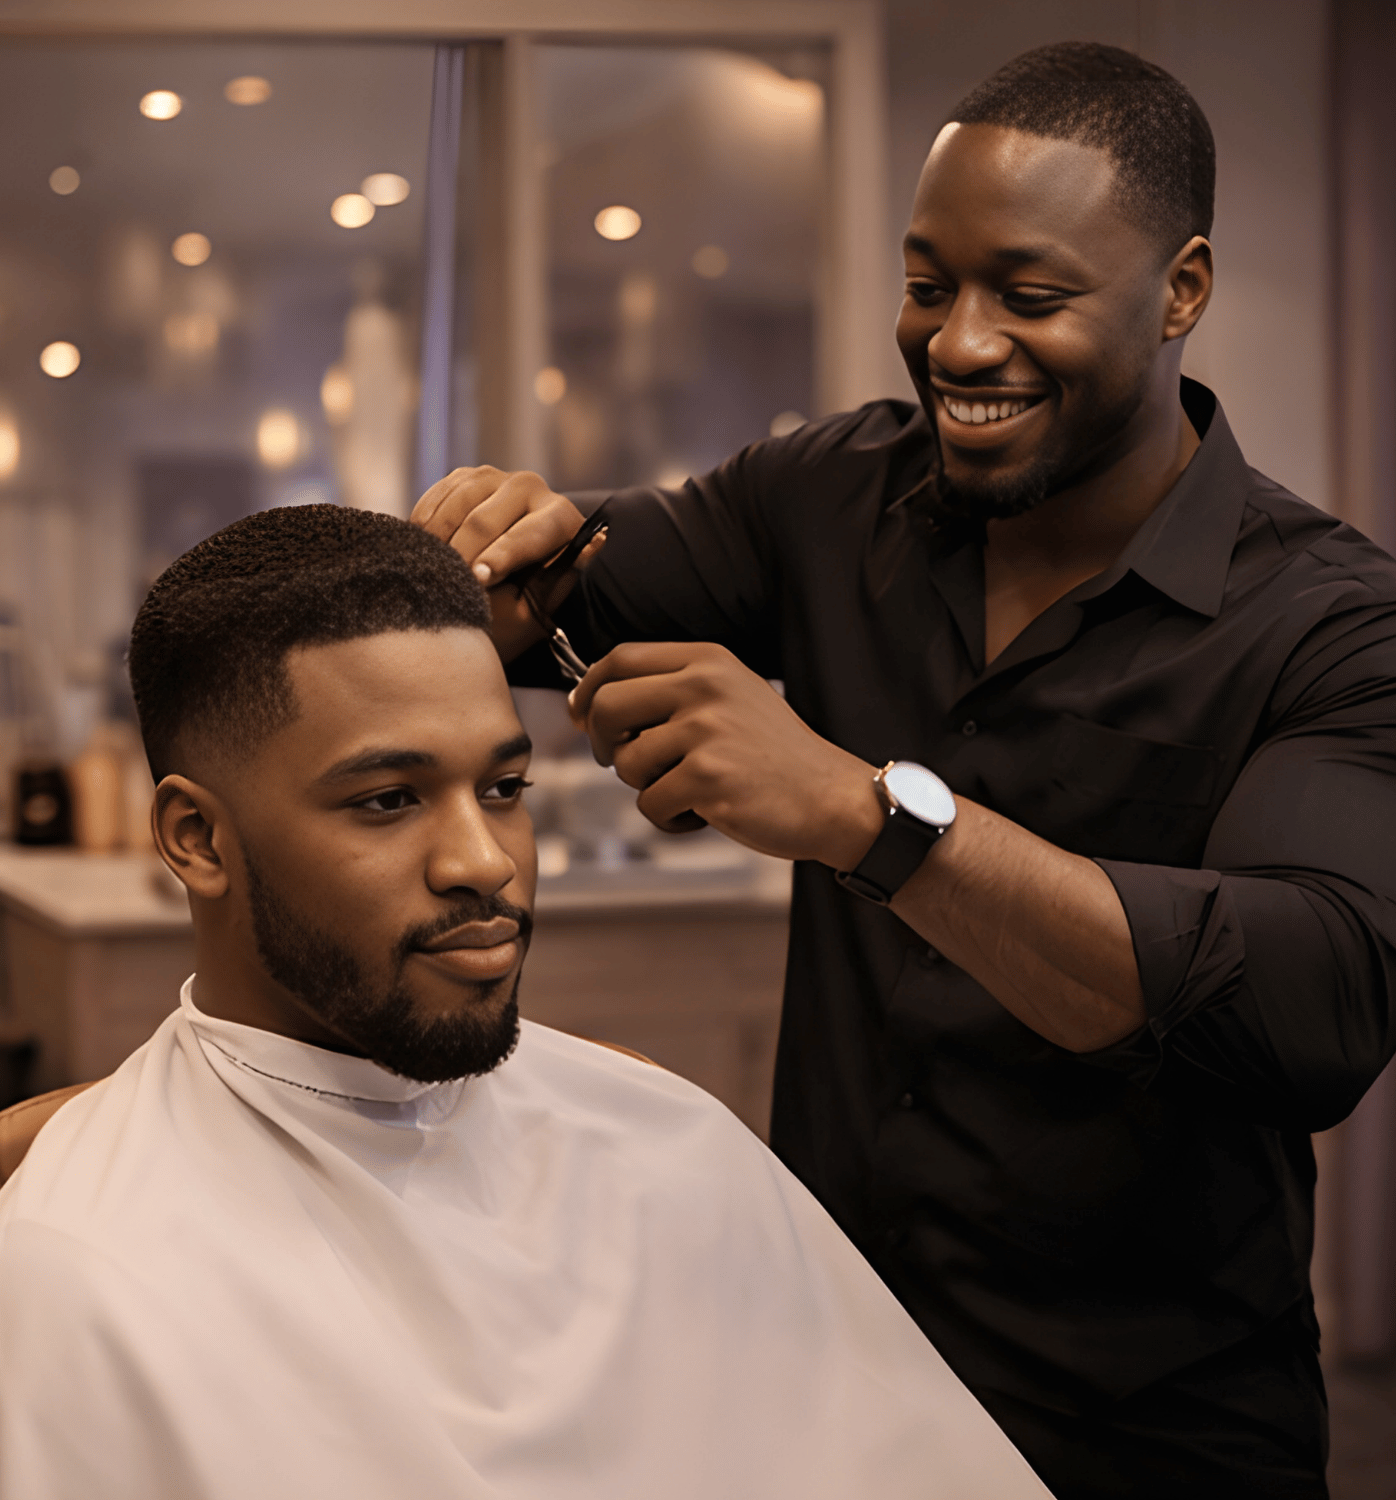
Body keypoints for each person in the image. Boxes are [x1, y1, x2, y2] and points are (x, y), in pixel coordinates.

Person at [414, 41, 1396, 1500]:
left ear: (1181, 290)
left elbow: (1310, 1005)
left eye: (1030, 294)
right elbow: (557, 591)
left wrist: (873, 817)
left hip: (1147, 1427)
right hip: (828, 1382)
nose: (958, 341)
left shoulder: (1329, 621)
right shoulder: (829, 496)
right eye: (930, 283)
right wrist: (491, 563)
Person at [0, 507, 1050, 1500]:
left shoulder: (668, 1151)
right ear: (197, 839)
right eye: (390, 800)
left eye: (504, 789)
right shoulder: (75, 1295)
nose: (485, 861)